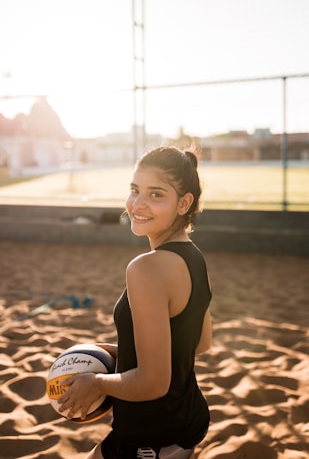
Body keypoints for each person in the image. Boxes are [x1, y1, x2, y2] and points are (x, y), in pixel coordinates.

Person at [58, 146, 212, 459]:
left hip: (149, 435)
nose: (137, 204)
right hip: (187, 421)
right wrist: (122, 353)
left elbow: (154, 382)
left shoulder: (146, 267)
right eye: (134, 190)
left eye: (156, 194)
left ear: (184, 203)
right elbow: (199, 343)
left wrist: (98, 382)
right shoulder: (195, 257)